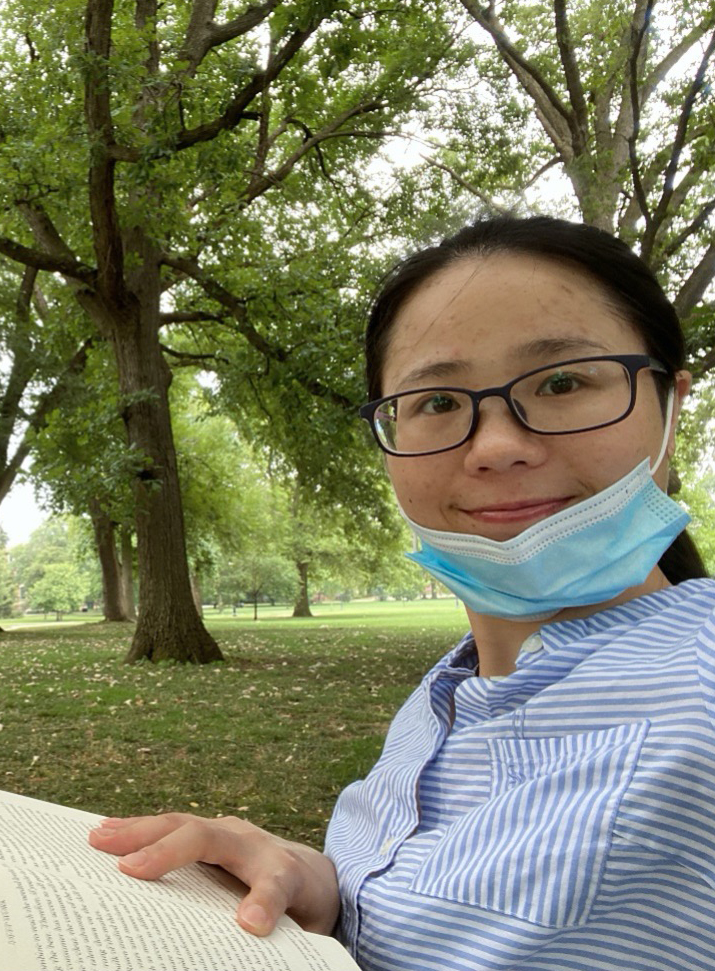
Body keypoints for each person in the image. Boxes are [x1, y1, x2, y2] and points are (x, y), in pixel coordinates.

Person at [89, 216, 714, 971]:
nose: (495, 446)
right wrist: (322, 885)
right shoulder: (444, 697)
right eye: (438, 403)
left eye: (561, 382)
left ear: (670, 407)